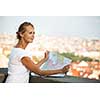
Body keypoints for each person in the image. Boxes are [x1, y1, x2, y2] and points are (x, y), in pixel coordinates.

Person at [5, 22, 70, 83]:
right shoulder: (22, 54)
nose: (33, 36)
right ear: (21, 34)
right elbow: (39, 72)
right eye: (30, 33)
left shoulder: (15, 50)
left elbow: (33, 68)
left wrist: (44, 60)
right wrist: (61, 70)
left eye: (34, 33)